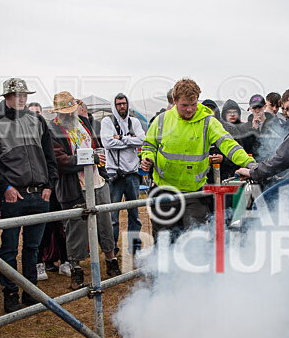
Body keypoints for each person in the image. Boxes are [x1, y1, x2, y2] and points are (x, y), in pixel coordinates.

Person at [0, 78, 58, 313]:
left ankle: (31, 291)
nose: (22, 99)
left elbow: (50, 157)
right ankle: (10, 292)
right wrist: (5, 187)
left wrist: (49, 185)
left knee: (33, 247)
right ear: (7, 97)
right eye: (16, 95)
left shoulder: (38, 121)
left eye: (24, 95)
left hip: (39, 195)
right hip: (14, 196)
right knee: (10, 247)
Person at [140, 78, 256, 237]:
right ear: (174, 101)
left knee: (195, 242)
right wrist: (148, 158)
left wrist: (250, 164)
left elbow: (228, 144)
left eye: (193, 104)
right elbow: (149, 145)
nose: (189, 109)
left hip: (194, 194)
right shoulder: (161, 120)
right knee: (164, 241)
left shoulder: (208, 122)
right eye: (184, 105)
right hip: (164, 192)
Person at [49, 92, 117, 288]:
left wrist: (102, 170)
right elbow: (60, 160)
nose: (71, 115)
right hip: (73, 188)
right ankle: (76, 271)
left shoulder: (84, 123)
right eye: (66, 112)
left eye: (72, 110)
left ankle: (111, 261)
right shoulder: (52, 130)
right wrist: (88, 159)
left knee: (105, 223)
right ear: (58, 113)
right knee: (76, 229)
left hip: (97, 182)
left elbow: (96, 146)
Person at [100, 93, 145, 276]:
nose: (122, 106)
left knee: (134, 214)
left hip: (132, 174)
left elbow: (142, 140)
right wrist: (129, 140)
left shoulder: (135, 121)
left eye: (124, 103)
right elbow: (107, 142)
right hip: (114, 174)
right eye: (119, 104)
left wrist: (122, 138)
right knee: (113, 217)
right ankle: (113, 253)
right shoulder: (107, 122)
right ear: (114, 105)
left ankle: (135, 248)